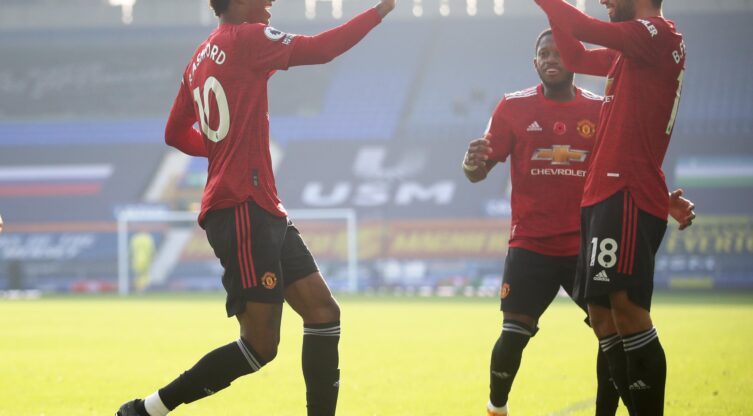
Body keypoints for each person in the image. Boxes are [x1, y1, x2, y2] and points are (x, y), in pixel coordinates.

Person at [116, 0, 396, 414]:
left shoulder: (198, 59)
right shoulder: (246, 38)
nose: (270, 2)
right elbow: (322, 49)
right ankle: (147, 410)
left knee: (323, 311)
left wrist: (220, 149)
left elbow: (174, 133)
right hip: (242, 207)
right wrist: (380, 10)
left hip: (259, 206)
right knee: (260, 345)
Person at [463, 29, 693, 416]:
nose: (551, 58)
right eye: (543, 53)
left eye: (558, 52)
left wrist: (663, 198)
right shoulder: (512, 107)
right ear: (535, 63)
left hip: (586, 243)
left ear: (573, 58)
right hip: (530, 243)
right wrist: (471, 162)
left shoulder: (601, 108)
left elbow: (629, 163)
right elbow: (476, 171)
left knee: (611, 333)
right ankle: (496, 407)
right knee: (513, 334)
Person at [533, 0, 688, 414]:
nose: (603, 1)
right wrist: (554, 14)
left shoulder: (656, 34)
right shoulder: (635, 49)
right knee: (602, 317)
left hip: (626, 190)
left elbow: (584, 28)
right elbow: (576, 57)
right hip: (602, 194)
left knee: (627, 311)